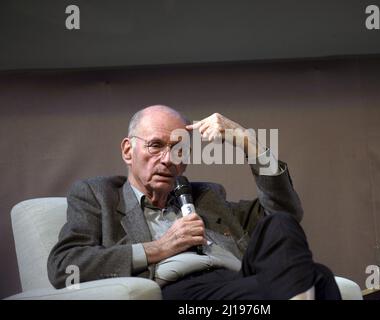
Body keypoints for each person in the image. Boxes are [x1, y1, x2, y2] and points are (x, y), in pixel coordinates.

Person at [47, 105, 341, 300]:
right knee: (317, 280)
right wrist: (159, 248)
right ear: (128, 150)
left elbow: (286, 211)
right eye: (155, 145)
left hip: (238, 279)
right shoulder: (97, 195)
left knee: (284, 229)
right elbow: (65, 266)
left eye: (179, 149)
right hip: (184, 293)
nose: (167, 158)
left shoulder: (207, 196)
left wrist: (246, 140)